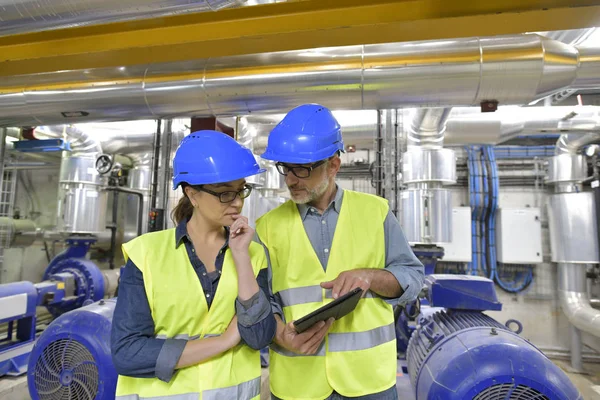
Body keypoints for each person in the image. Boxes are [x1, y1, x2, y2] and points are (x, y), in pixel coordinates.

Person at [256, 104, 424, 400]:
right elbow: (258, 302)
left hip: (368, 382)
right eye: (286, 167)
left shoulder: (376, 212)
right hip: (298, 384)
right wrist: (279, 333)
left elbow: (412, 278)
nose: (291, 179)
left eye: (302, 169)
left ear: (333, 165)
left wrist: (370, 276)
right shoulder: (267, 227)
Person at [111, 130, 276, 400]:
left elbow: (259, 336)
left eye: (241, 190)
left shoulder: (253, 254)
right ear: (193, 194)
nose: (237, 202)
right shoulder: (146, 253)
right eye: (225, 194)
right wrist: (223, 341)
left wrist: (241, 256)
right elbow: (127, 354)